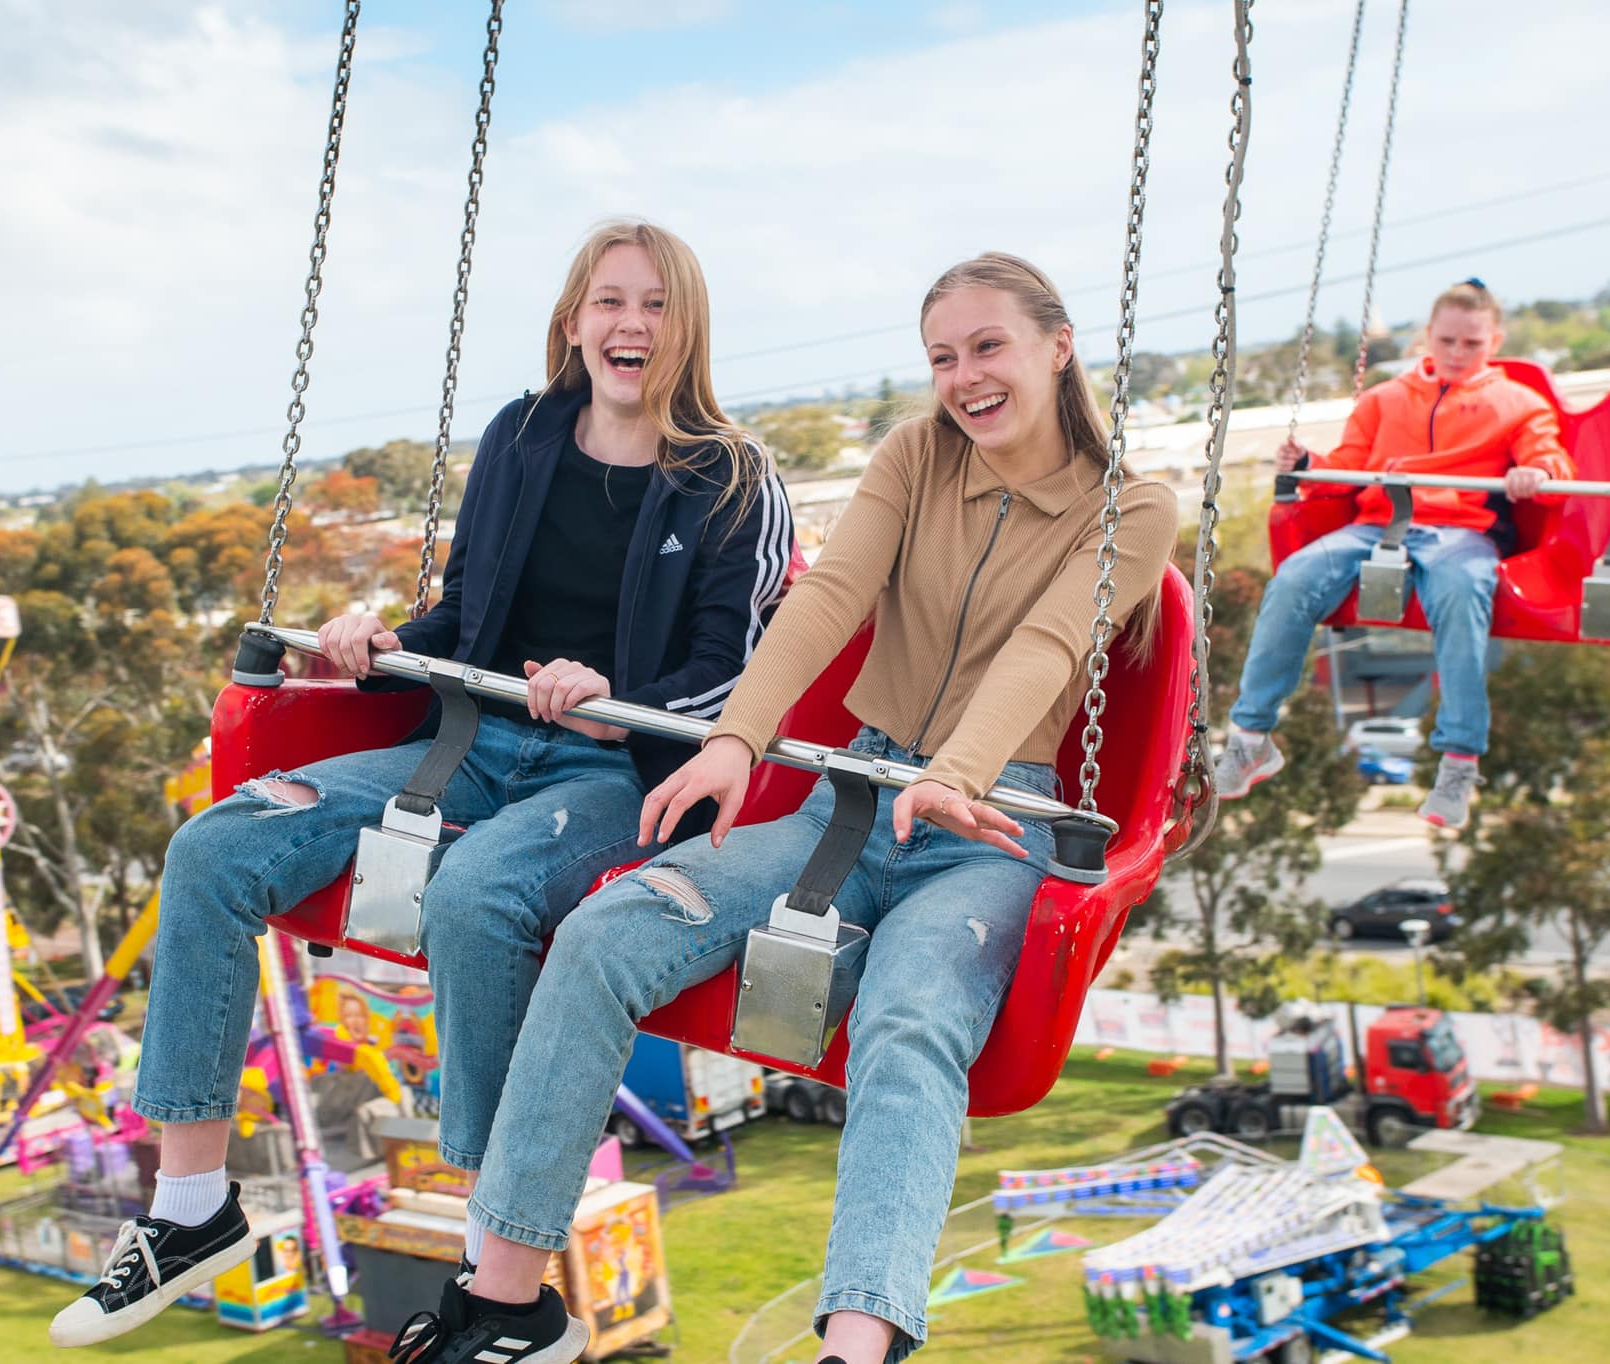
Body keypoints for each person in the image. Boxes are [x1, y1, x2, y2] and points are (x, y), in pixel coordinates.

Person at [384, 253, 1177, 1364]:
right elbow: (827, 599)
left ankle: (856, 1345)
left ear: (1058, 345)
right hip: (846, 797)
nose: (963, 377)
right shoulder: (914, 455)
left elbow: (1047, 644)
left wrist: (957, 770)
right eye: (942, 357)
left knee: (908, 1021)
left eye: (986, 346)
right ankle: (510, 1299)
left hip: (991, 822)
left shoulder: (1133, 506)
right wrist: (731, 742)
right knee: (608, 930)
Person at [48, 220, 793, 1348]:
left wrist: (608, 686)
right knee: (213, 848)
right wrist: (375, 639)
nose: (628, 324)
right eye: (607, 302)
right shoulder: (521, 436)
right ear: (572, 320)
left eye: (653, 305)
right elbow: (464, 618)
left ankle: (499, 1286)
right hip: (471, 739)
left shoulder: (732, 477)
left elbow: (730, 679)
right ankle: (190, 1205)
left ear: (686, 327)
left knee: (477, 893)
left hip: (615, 767)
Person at [1214, 279, 1572, 828]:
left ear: (1494, 341)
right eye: (1447, 339)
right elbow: (1348, 466)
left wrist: (1538, 472)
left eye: (1471, 344)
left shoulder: (1519, 405)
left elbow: (1548, 455)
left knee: (1460, 592)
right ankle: (1251, 738)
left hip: (1459, 529)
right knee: (1292, 579)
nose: (1456, 354)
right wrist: (1310, 461)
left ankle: (1458, 763)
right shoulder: (1384, 398)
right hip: (1377, 523)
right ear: (1427, 335)